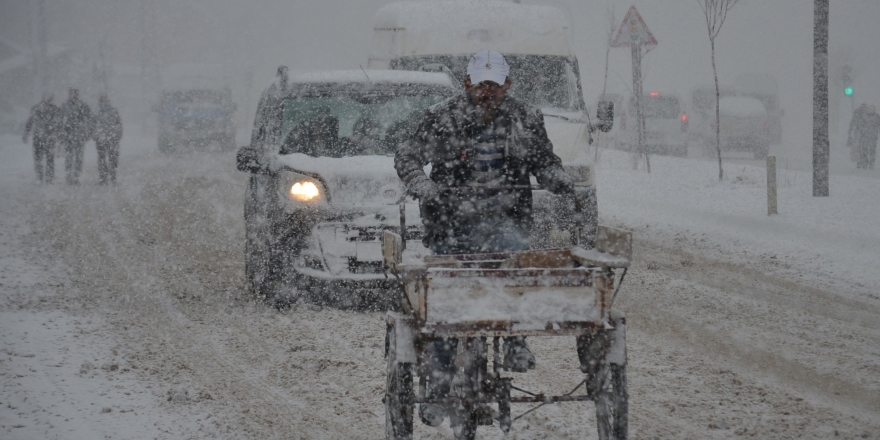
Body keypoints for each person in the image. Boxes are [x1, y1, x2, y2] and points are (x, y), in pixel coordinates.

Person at [394, 50, 576, 427]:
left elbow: (544, 160)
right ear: (467, 84)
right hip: (449, 222)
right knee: (446, 305)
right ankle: (439, 388)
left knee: (511, 264)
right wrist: (423, 185)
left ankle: (513, 341)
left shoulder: (526, 118)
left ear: (508, 85)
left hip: (506, 218)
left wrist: (556, 178)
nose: (488, 93)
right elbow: (407, 157)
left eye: (495, 85)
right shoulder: (440, 117)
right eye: (481, 85)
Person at [23, 93, 61, 184]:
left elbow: (58, 124)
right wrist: (26, 134)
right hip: (39, 137)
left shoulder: (54, 109)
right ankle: (40, 176)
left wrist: (58, 135)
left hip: (48, 138)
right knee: (39, 158)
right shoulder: (36, 108)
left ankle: (49, 178)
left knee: (49, 159)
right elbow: (30, 122)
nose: (47, 101)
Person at [60, 88, 93, 185]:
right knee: (69, 158)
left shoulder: (83, 106)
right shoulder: (65, 106)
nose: (73, 95)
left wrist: (88, 133)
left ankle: (76, 177)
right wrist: (61, 135)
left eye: (75, 93)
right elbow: (59, 121)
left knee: (78, 158)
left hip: (79, 136)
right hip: (68, 136)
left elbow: (90, 119)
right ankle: (69, 176)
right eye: (71, 93)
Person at [93, 94, 123, 184]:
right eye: (103, 100)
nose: (105, 102)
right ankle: (103, 177)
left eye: (106, 100)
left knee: (113, 159)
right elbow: (92, 126)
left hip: (112, 139)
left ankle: (113, 177)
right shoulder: (97, 112)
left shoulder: (113, 111)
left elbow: (119, 124)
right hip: (101, 139)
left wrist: (117, 136)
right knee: (102, 159)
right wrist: (96, 137)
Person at [848, 103, 880, 169]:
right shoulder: (861, 116)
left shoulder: (875, 117)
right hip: (865, 136)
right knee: (865, 149)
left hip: (870, 136)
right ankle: (865, 163)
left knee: (867, 150)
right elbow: (857, 125)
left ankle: (866, 163)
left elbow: (854, 124)